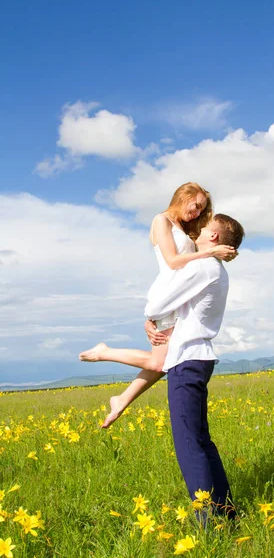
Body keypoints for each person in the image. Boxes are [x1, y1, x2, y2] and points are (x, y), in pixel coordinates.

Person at [79, 182, 236, 427]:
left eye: (201, 210)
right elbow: (173, 262)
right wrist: (209, 253)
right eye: (195, 206)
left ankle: (121, 399)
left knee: (163, 362)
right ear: (182, 197)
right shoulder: (160, 220)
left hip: (176, 297)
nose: (196, 213)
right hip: (168, 295)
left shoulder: (183, 228)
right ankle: (104, 353)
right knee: (160, 362)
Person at [144, 213, 244, 519]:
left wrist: (149, 317)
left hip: (187, 359)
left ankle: (207, 521)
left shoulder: (203, 266)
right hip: (197, 359)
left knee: (189, 444)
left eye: (206, 226)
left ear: (213, 237)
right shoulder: (214, 268)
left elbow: (155, 306)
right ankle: (225, 513)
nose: (199, 229)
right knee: (201, 440)